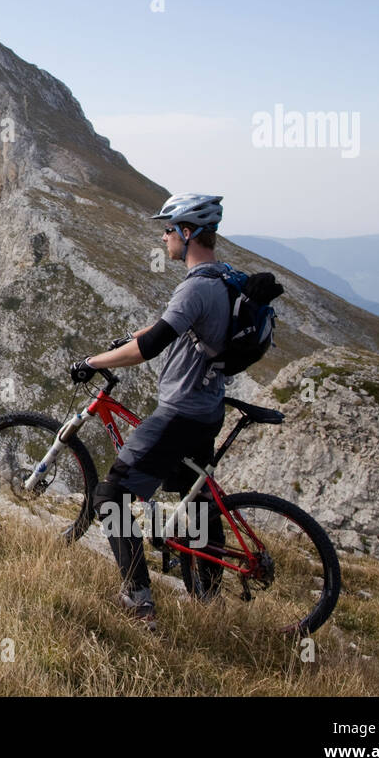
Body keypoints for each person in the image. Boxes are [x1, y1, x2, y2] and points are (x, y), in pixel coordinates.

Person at [69, 193, 231, 631]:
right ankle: (207, 596)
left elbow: (149, 347)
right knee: (193, 494)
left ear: (187, 233)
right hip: (208, 410)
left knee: (111, 497)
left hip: (181, 413)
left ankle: (138, 602)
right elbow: (171, 327)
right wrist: (128, 338)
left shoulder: (197, 285)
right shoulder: (222, 278)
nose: (163, 238)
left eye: (168, 229)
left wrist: (92, 362)